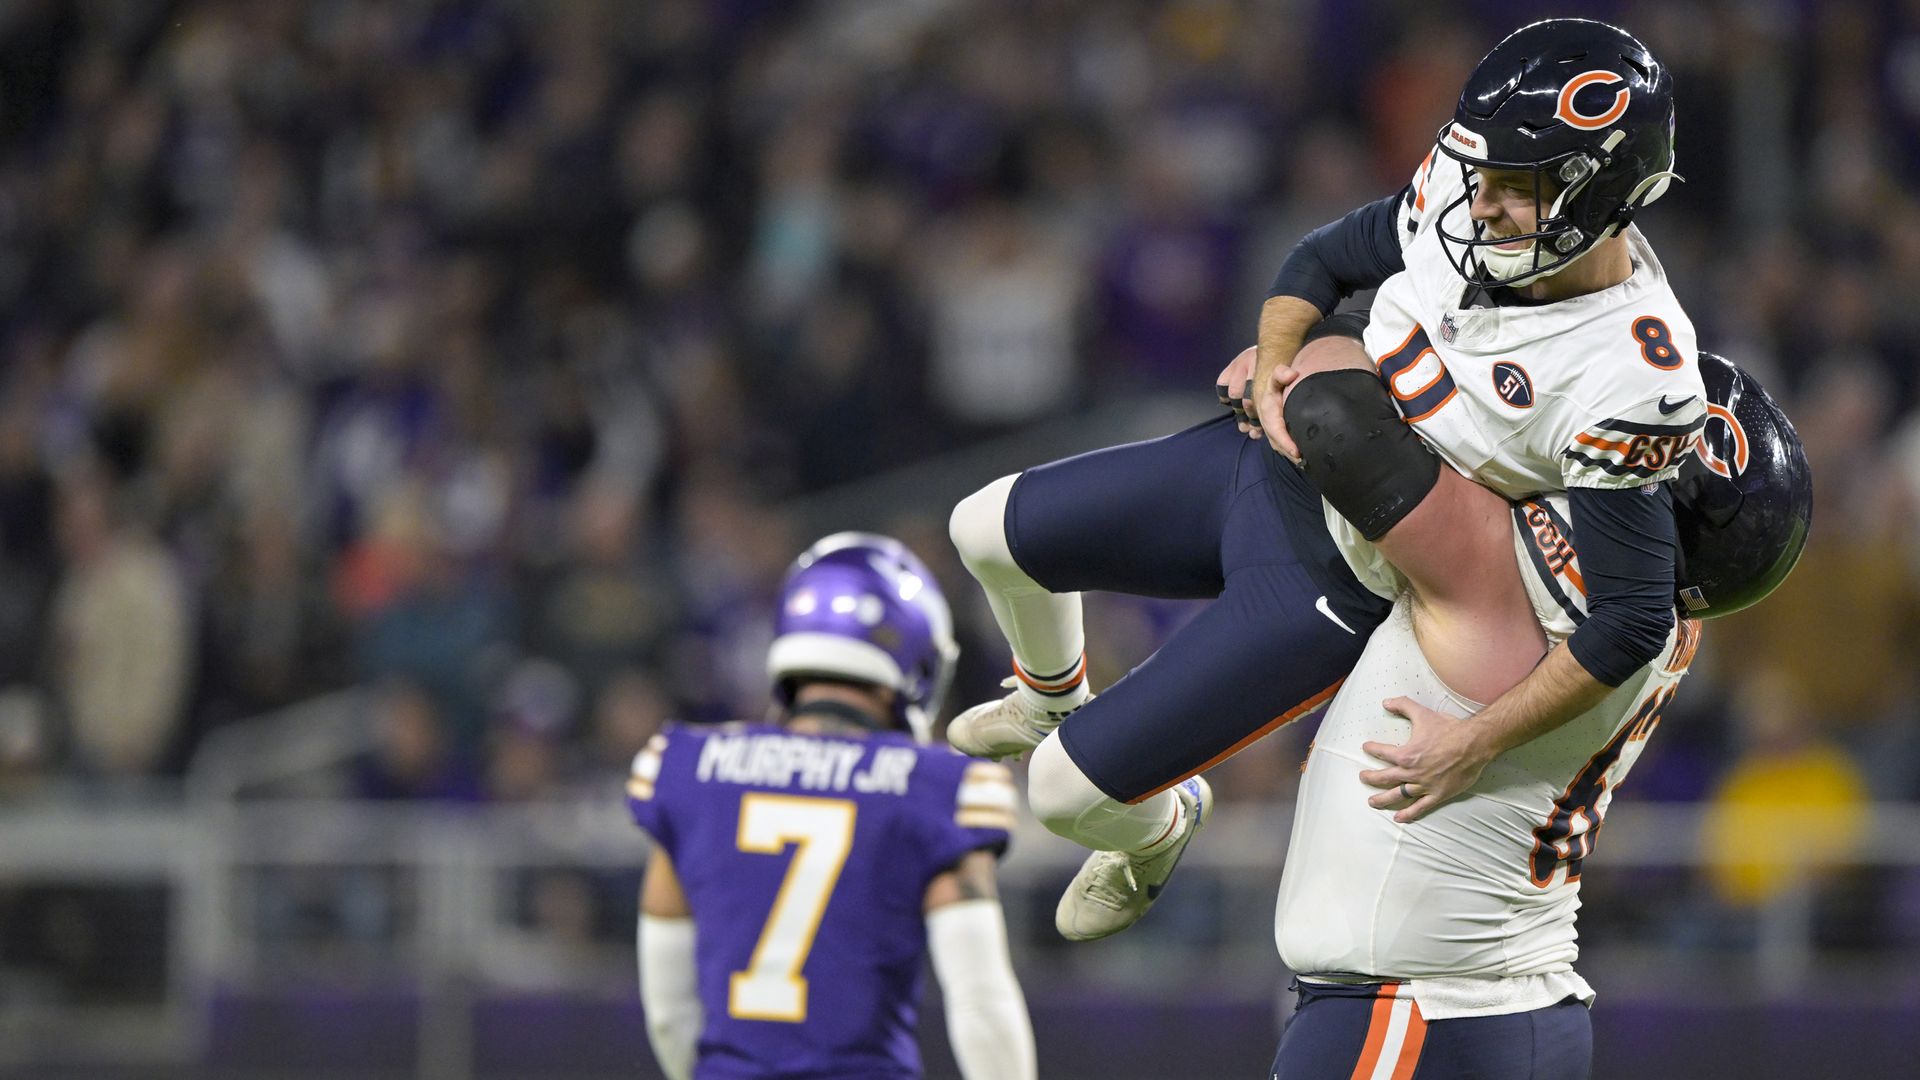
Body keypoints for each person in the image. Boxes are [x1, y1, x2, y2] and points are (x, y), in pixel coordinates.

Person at [943, 17, 1698, 943]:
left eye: (1517, 186)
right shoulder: (1469, 199)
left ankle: (1161, 825)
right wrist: (1273, 366)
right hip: (1274, 460)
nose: (1482, 203)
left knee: (1059, 795)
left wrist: (1477, 738)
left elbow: (1630, 618)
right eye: (1484, 173)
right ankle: (1050, 694)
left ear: (1603, 192)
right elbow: (1326, 258)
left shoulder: (1635, 372)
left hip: (1341, 574)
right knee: (981, 529)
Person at [1265, 342, 1808, 1079]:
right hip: (1516, 1002)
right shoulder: (1664, 625)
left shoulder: (1551, 588)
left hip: (1413, 1010)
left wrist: (1326, 335)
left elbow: (1333, 411)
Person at [628, 532, 1037, 1080]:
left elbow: (670, 1017)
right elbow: (980, 1001)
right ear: (913, 660)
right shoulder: (937, 788)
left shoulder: (688, 768)